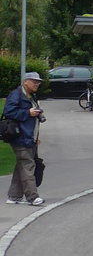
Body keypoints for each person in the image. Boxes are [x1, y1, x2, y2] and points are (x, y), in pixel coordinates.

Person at [5, 71, 46, 206]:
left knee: (22, 166)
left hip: (30, 137)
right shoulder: (16, 95)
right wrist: (27, 112)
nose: (37, 84)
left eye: (38, 82)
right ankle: (32, 197)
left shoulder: (32, 96)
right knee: (28, 166)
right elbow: (8, 112)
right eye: (34, 81)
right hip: (20, 136)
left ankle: (14, 196)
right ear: (25, 82)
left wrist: (36, 137)